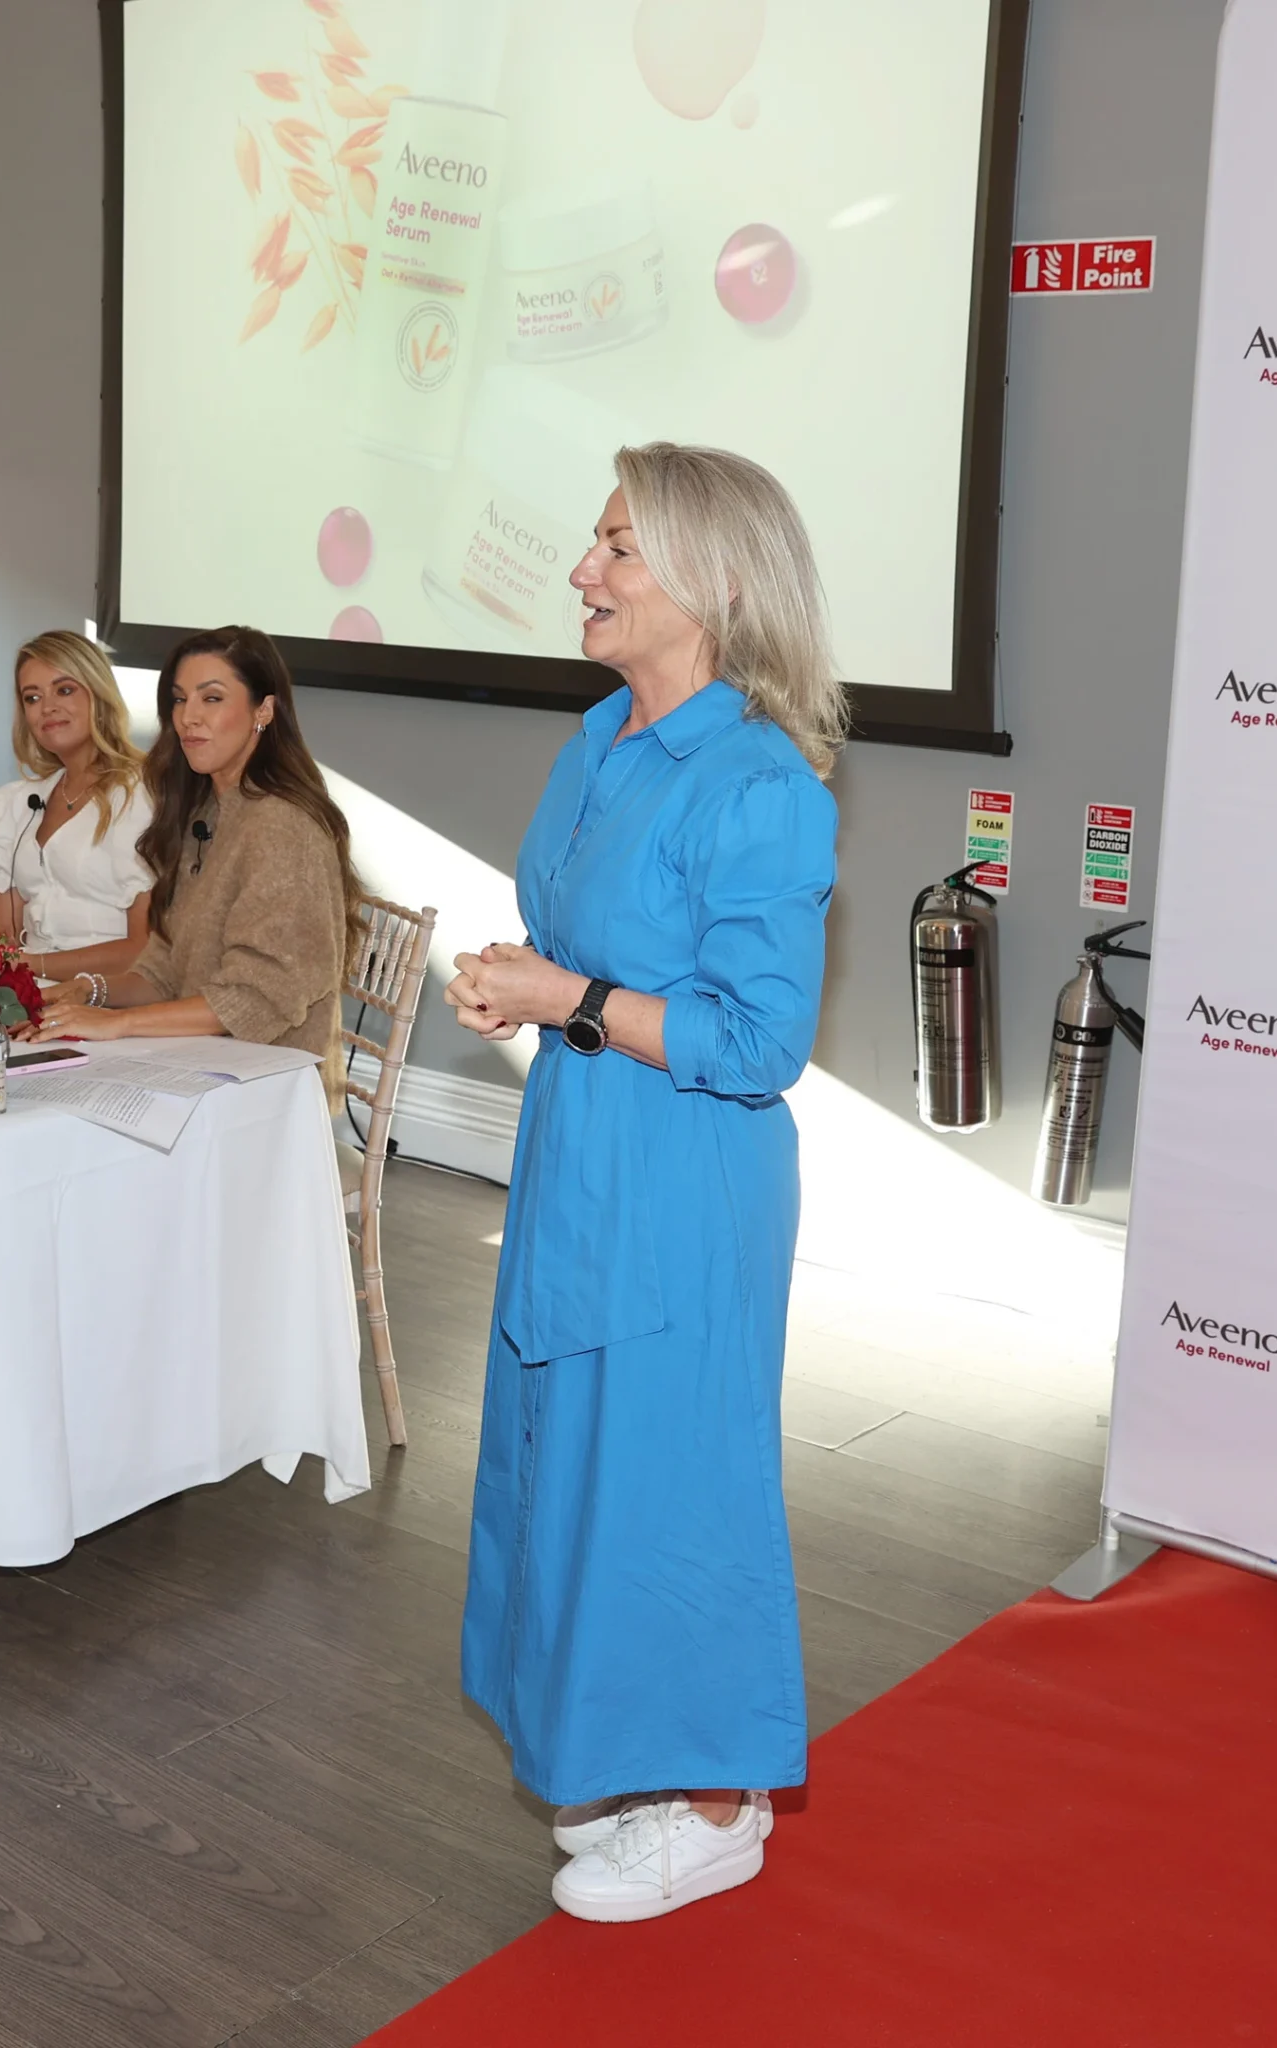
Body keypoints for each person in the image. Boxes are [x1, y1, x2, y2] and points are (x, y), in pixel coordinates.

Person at [442, 444, 844, 1925]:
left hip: (683, 1178)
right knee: (574, 1460)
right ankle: (637, 1761)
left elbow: (757, 1041)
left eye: (619, 547)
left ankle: (722, 1802)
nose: (582, 570)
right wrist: (528, 985)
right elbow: (591, 955)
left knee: (676, 1478)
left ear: (716, 583)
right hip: (584, 1144)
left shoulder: (760, 784)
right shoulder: (601, 740)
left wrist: (571, 998)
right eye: (593, 542)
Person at [26, 625, 358, 1052]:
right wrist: (86, 990)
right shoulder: (205, 813)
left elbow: (253, 998)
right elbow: (165, 971)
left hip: (265, 1075)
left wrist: (117, 1023)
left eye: (212, 698)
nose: (188, 717)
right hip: (197, 1058)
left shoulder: (284, 827)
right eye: (180, 699)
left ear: (264, 710)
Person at [0, 631, 153, 980]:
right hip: (26, 991)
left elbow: (145, 951)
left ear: (98, 693)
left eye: (64, 690)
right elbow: (0, 930)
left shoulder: (143, 796)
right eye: (32, 697)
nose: (47, 708)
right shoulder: (15, 805)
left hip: (110, 999)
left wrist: (33, 966)